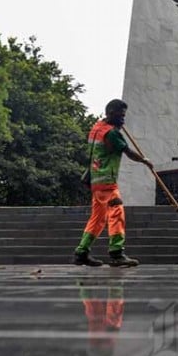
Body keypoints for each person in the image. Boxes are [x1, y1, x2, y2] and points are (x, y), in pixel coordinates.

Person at [73, 99, 153, 267]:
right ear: (110, 113)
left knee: (98, 218)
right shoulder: (112, 134)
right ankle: (117, 253)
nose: (123, 120)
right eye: (120, 116)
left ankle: (81, 252)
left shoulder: (97, 128)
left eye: (124, 116)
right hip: (107, 182)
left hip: (95, 181)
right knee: (116, 213)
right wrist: (145, 161)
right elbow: (128, 152)